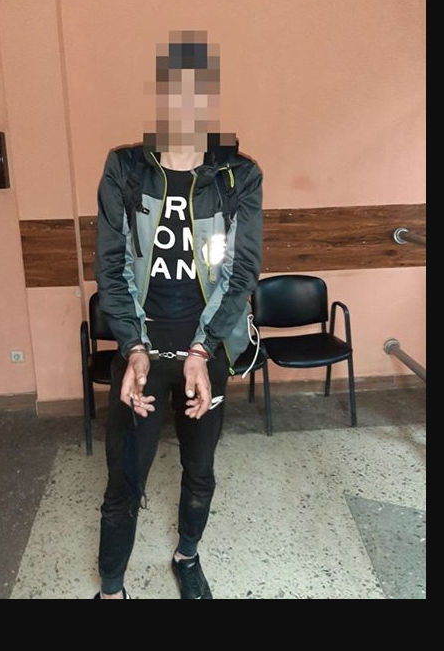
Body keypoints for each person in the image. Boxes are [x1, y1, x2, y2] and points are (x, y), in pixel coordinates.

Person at [92, 31, 263, 599]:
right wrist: (133, 347)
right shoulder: (125, 169)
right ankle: (112, 589)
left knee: (200, 470)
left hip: (203, 350)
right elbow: (111, 265)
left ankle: (187, 556)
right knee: (124, 479)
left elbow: (241, 271)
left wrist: (202, 348)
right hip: (141, 349)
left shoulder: (237, 175)